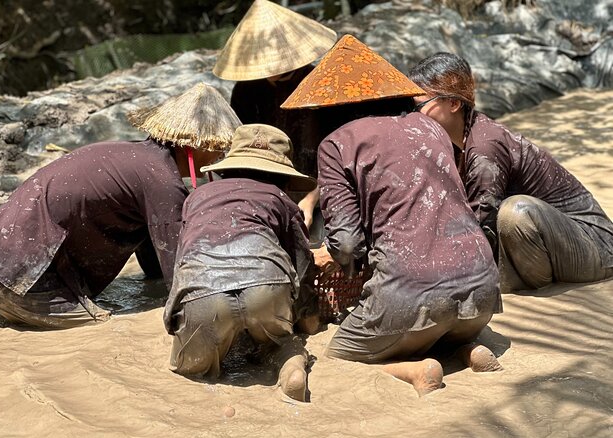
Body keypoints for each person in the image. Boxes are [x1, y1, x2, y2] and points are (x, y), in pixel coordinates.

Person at [283, 34, 503, 396]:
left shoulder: (336, 143)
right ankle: (468, 349)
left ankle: (416, 369)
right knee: (434, 327)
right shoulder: (431, 127)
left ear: (324, 108)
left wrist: (335, 256)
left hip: (411, 296)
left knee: (338, 357)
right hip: (482, 295)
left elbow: (348, 243)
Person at [0, 83, 241, 329]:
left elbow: (156, 260)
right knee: (103, 330)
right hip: (20, 284)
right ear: (194, 143)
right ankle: (11, 317)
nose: (221, 153)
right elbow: (181, 276)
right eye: (218, 145)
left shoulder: (138, 161)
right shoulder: (162, 182)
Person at [408, 52, 613, 292]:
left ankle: (515, 286)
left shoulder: (485, 146)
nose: (412, 116)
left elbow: (480, 223)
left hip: (594, 248)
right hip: (554, 247)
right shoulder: (454, 143)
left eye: (418, 106)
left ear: (453, 104)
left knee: (514, 213)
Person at [164, 124, 319, 402]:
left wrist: (173, 315)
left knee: (189, 373)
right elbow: (302, 262)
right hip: (266, 284)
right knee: (279, 345)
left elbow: (183, 259)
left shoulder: (196, 197)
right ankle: (290, 367)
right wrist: (308, 316)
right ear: (283, 176)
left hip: (204, 289)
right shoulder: (281, 200)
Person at [213, 0, 337, 230]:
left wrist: (311, 199)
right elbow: (245, 146)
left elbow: (336, 151)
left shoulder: (321, 85)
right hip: (268, 186)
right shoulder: (246, 90)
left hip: (320, 183)